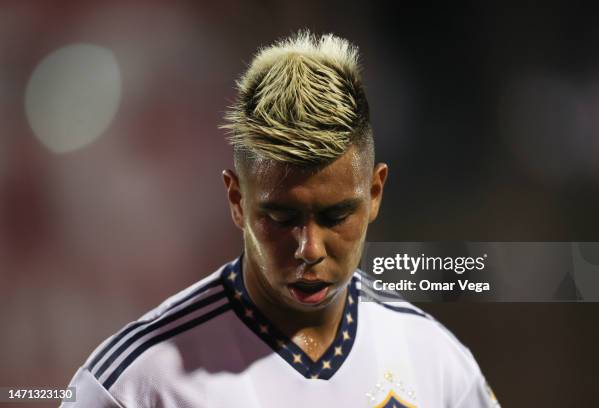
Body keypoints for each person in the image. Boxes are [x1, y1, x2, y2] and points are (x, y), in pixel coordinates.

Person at [63, 31, 500, 407]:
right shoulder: (131, 385)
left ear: (374, 192)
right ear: (237, 199)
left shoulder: (437, 363)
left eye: (335, 216)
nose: (309, 248)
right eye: (281, 217)